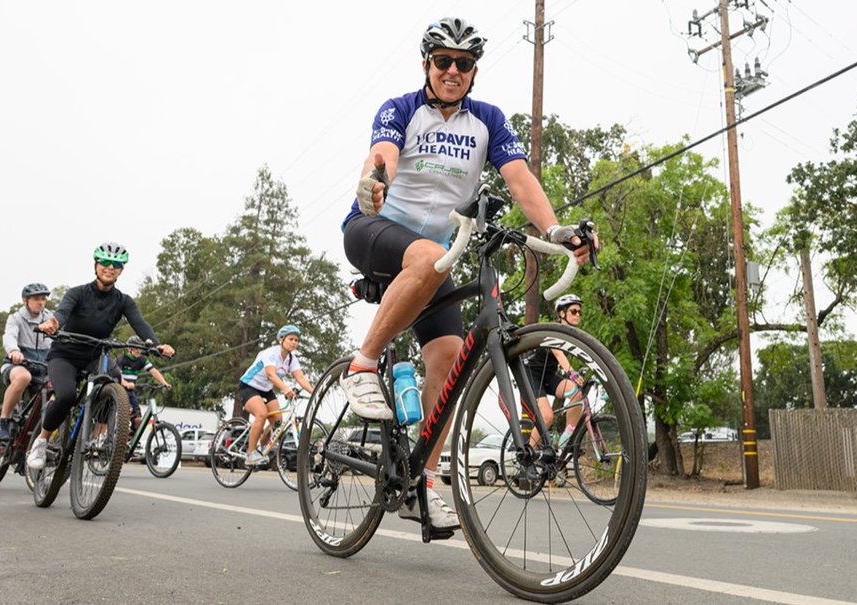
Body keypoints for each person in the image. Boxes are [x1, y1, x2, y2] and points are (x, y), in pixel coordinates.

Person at [338, 17, 594, 530]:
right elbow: (381, 154)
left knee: (450, 358)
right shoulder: (401, 109)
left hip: (438, 259)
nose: (453, 70)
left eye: (464, 63)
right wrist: (375, 179)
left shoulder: (489, 121)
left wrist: (558, 229)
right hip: (375, 231)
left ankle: (424, 481)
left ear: (474, 71)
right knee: (430, 255)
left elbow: (519, 178)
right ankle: (362, 365)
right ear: (427, 65)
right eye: (443, 61)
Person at [26, 243, 175, 470]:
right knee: (66, 396)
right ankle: (42, 440)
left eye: (116, 265)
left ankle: (98, 432)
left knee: (115, 380)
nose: (110, 268)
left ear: (121, 270)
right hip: (65, 354)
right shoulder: (77, 292)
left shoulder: (123, 301)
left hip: (95, 355)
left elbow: (140, 324)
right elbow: (62, 313)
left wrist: (157, 345)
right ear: (96, 265)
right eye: (105, 263)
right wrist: (52, 323)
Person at [237, 325, 315, 467]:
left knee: (278, 422)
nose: (294, 343)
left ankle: (261, 448)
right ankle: (250, 453)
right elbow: (271, 374)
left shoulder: (291, 359)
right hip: (249, 386)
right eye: (291, 339)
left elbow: (301, 379)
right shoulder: (270, 353)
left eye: (296, 340)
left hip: (265, 390)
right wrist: (286, 389)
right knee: (262, 414)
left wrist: (316, 393)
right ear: (281, 339)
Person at [523, 295, 588, 449]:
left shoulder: (572, 336)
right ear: (562, 314)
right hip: (532, 375)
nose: (578, 315)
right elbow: (558, 353)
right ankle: (528, 454)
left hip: (549, 376)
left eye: (579, 312)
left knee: (577, 394)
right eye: (573, 311)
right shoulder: (554, 330)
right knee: (547, 417)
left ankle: (566, 438)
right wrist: (572, 373)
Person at [0, 283, 54, 440]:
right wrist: (14, 350)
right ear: (25, 300)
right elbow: (9, 336)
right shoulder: (15, 318)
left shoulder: (51, 319)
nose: (40, 302)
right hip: (17, 364)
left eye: (43, 299)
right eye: (36, 299)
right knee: (23, 377)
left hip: (43, 368)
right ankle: (3, 420)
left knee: (60, 390)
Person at [113, 336, 171, 431]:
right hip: (119, 390)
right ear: (129, 349)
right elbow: (117, 374)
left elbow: (153, 371)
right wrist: (125, 383)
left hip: (130, 392)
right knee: (127, 412)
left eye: (140, 348)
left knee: (138, 421)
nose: (138, 351)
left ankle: (130, 440)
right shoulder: (122, 358)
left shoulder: (142, 360)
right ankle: (117, 435)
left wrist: (165, 383)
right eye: (136, 348)